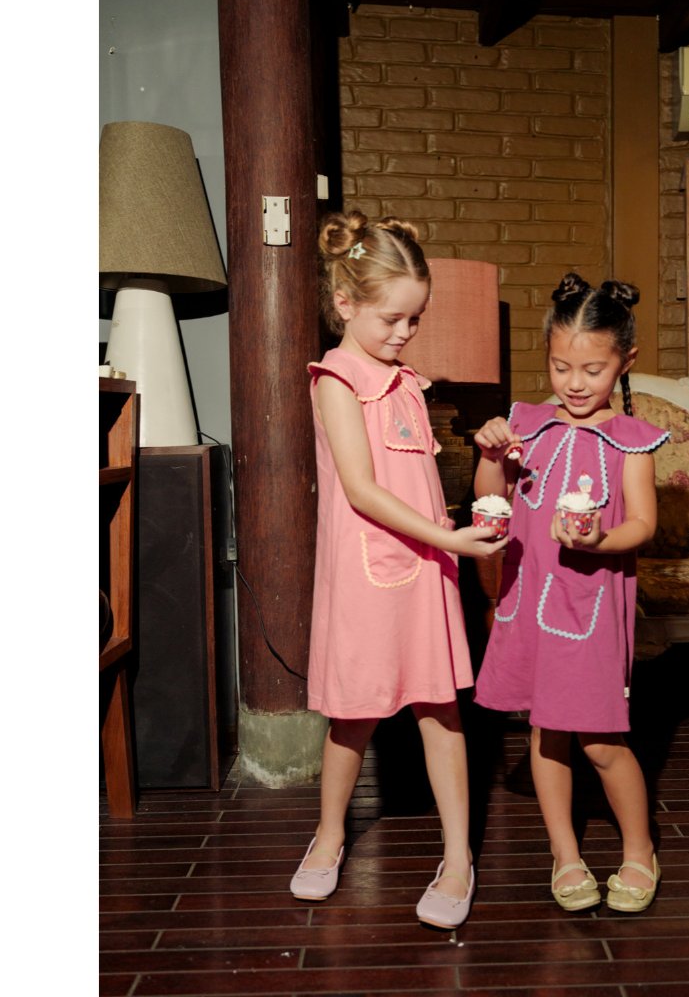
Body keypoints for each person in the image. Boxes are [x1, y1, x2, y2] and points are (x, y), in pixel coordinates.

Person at [290, 210, 507, 929]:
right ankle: (329, 835)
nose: (405, 332)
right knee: (353, 713)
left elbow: (417, 483)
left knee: (441, 708)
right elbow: (361, 489)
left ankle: (457, 857)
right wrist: (449, 540)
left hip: (426, 569)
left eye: (415, 318)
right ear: (345, 302)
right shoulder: (336, 379)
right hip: (367, 573)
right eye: (392, 319)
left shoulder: (409, 382)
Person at [472, 272, 670, 914]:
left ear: (625, 362)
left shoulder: (631, 441)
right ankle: (565, 853)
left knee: (601, 740)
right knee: (544, 731)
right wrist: (490, 455)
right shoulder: (525, 424)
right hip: (528, 601)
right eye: (561, 367)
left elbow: (644, 524)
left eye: (592, 369)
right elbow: (491, 497)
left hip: (590, 608)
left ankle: (639, 849)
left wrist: (600, 539)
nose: (575, 383)